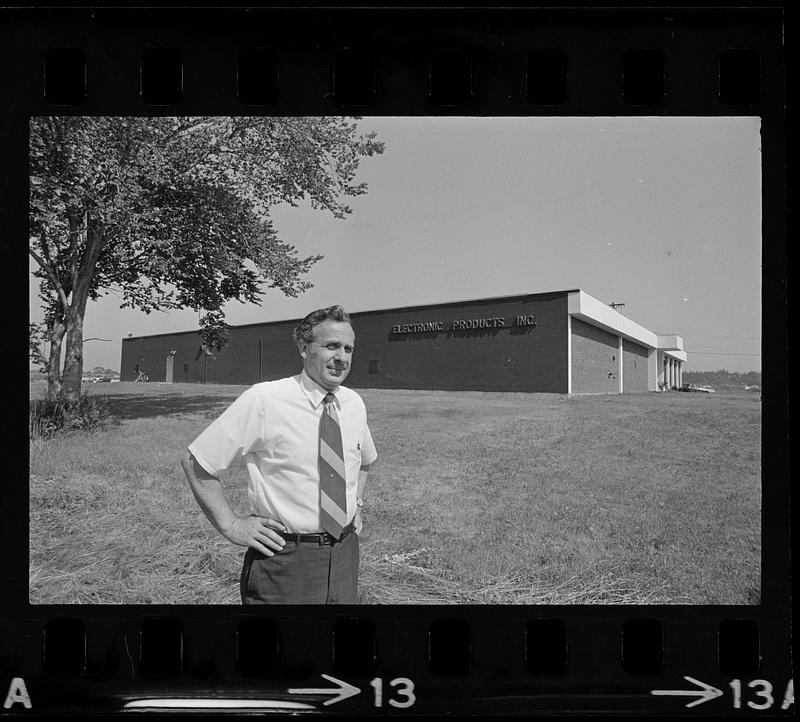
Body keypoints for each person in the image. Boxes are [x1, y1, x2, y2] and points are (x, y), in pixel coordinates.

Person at [180, 305, 377, 604]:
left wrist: (357, 504)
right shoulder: (265, 400)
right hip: (285, 561)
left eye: (348, 348)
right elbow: (197, 462)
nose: (342, 358)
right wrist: (231, 525)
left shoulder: (353, 404)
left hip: (345, 555)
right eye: (331, 346)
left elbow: (364, 461)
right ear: (303, 347)